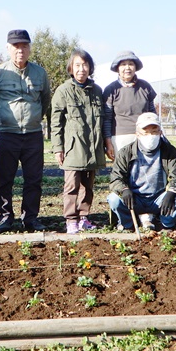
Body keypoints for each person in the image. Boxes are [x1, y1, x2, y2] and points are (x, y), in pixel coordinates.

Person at [0, 29, 51, 233]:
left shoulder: (40, 73)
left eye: (24, 45)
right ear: (8, 48)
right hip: (8, 134)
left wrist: (34, 117)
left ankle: (30, 218)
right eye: (16, 46)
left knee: (34, 179)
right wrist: (3, 119)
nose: (20, 50)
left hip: (33, 134)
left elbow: (45, 99)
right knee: (4, 179)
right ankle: (5, 217)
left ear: (30, 48)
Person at [50, 49, 106, 234]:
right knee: (72, 186)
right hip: (73, 148)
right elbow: (56, 123)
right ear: (71, 68)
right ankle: (71, 220)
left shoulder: (97, 91)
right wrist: (58, 148)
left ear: (90, 67)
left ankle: (83, 218)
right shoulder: (63, 91)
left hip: (93, 147)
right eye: (77, 65)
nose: (81, 69)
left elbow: (103, 119)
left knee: (88, 186)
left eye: (85, 65)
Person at [103, 50, 157, 229]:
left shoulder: (145, 87)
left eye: (131, 64)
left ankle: (146, 215)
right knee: (123, 176)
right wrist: (108, 141)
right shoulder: (111, 89)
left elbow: (152, 113)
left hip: (144, 136)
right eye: (123, 65)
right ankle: (124, 217)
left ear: (136, 67)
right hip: (120, 138)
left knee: (144, 174)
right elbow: (107, 118)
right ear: (117, 68)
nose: (127, 68)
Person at [107, 112, 176, 230]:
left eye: (154, 132)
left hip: (159, 198)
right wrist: (124, 190)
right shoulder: (125, 152)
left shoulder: (170, 151)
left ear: (160, 132)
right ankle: (128, 224)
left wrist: (171, 192)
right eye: (146, 132)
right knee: (113, 199)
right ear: (137, 134)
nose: (150, 136)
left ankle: (166, 224)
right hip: (134, 199)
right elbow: (116, 177)